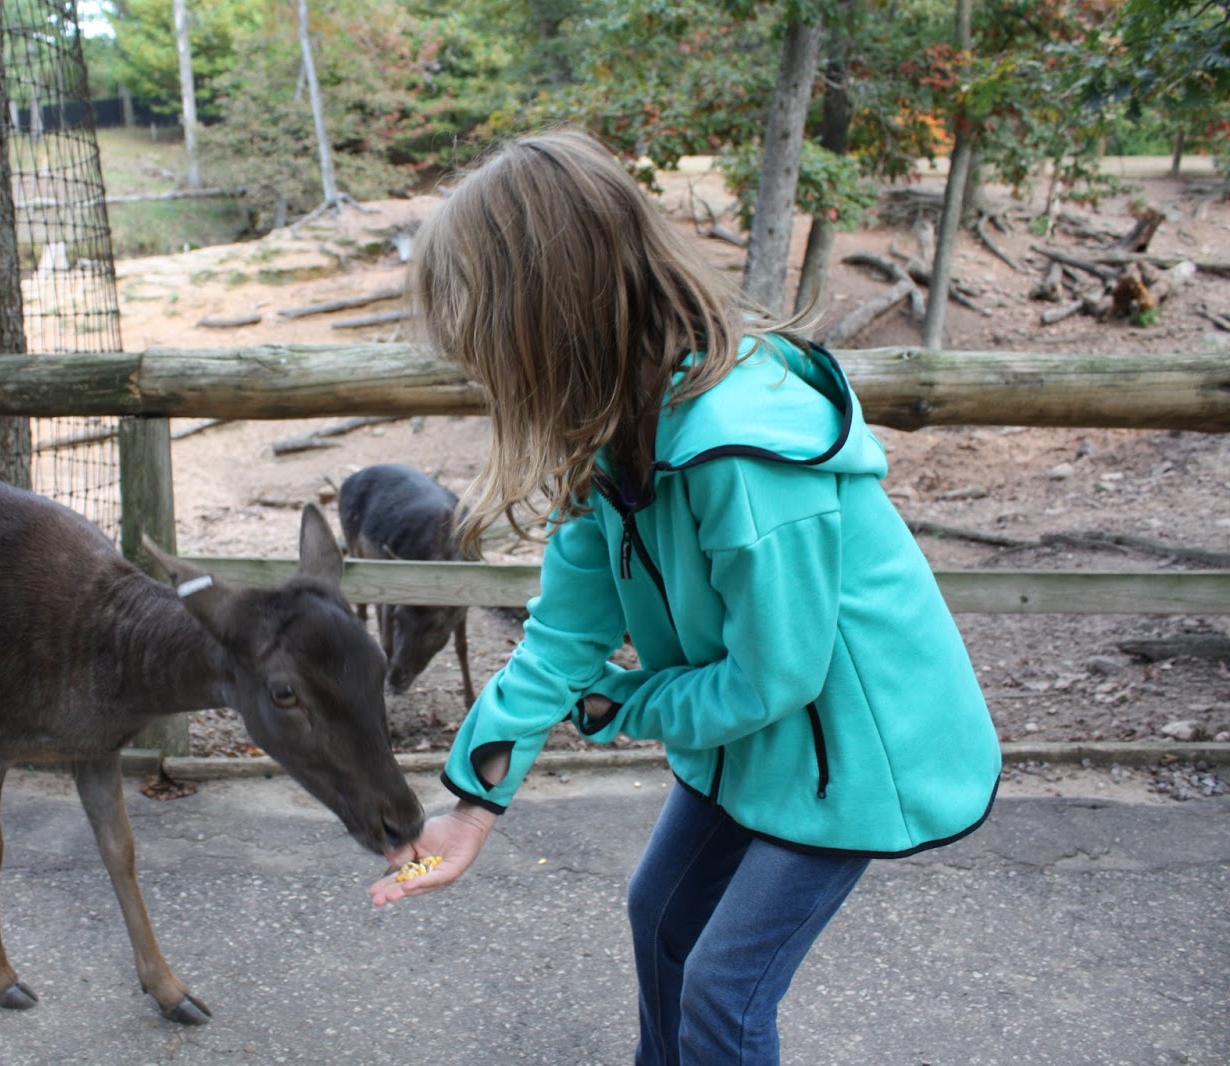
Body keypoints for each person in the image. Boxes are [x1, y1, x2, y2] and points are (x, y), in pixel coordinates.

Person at [366, 127, 1002, 1065]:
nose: (478, 361)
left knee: (724, 990)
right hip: (749, 739)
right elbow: (562, 639)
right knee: (659, 916)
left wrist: (625, 705)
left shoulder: (740, 451)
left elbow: (774, 678)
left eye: (486, 332)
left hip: (854, 757)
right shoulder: (614, 442)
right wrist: (468, 807)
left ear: (549, 314)